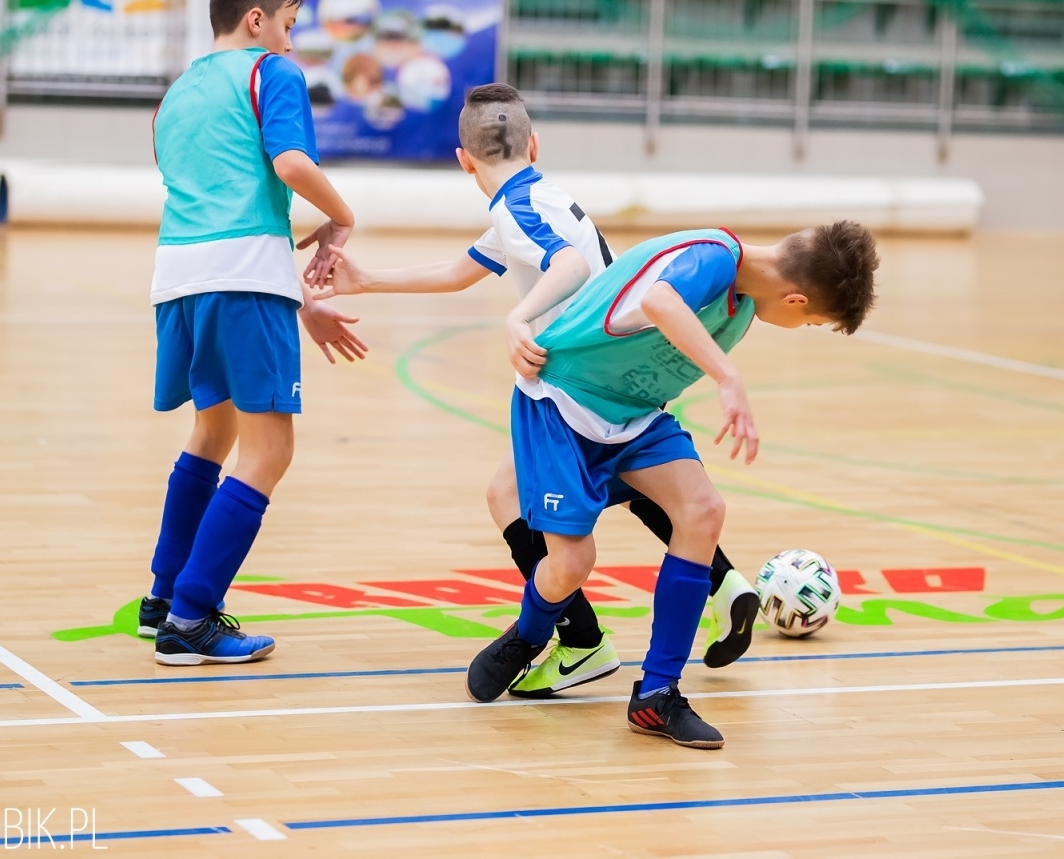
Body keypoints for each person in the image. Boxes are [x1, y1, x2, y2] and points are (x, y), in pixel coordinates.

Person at [315, 84, 761, 697]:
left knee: (516, 499)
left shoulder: (516, 210)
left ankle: (581, 641)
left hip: (579, 386)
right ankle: (722, 582)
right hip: (620, 375)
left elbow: (568, 267)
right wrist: (366, 281)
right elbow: (458, 272)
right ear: (534, 145)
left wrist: (518, 319)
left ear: (462, 160)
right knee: (629, 486)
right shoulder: (541, 198)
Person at [464, 219, 879, 748]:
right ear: (795, 300)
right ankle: (529, 633)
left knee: (703, 511)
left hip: (633, 416)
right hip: (562, 404)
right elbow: (660, 300)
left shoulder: (744, 301)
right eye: (812, 322)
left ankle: (657, 694)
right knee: (571, 564)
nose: (801, 327)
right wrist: (728, 377)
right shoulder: (713, 255)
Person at [142, 0, 366, 666]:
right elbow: (290, 166)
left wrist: (290, 290)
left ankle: (163, 598)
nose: (292, 43)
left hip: (178, 277)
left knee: (212, 432)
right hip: (242, 281)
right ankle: (191, 618)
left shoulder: (176, 93)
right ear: (257, 19)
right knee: (269, 450)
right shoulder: (272, 72)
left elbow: (215, 197)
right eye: (290, 26)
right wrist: (343, 216)